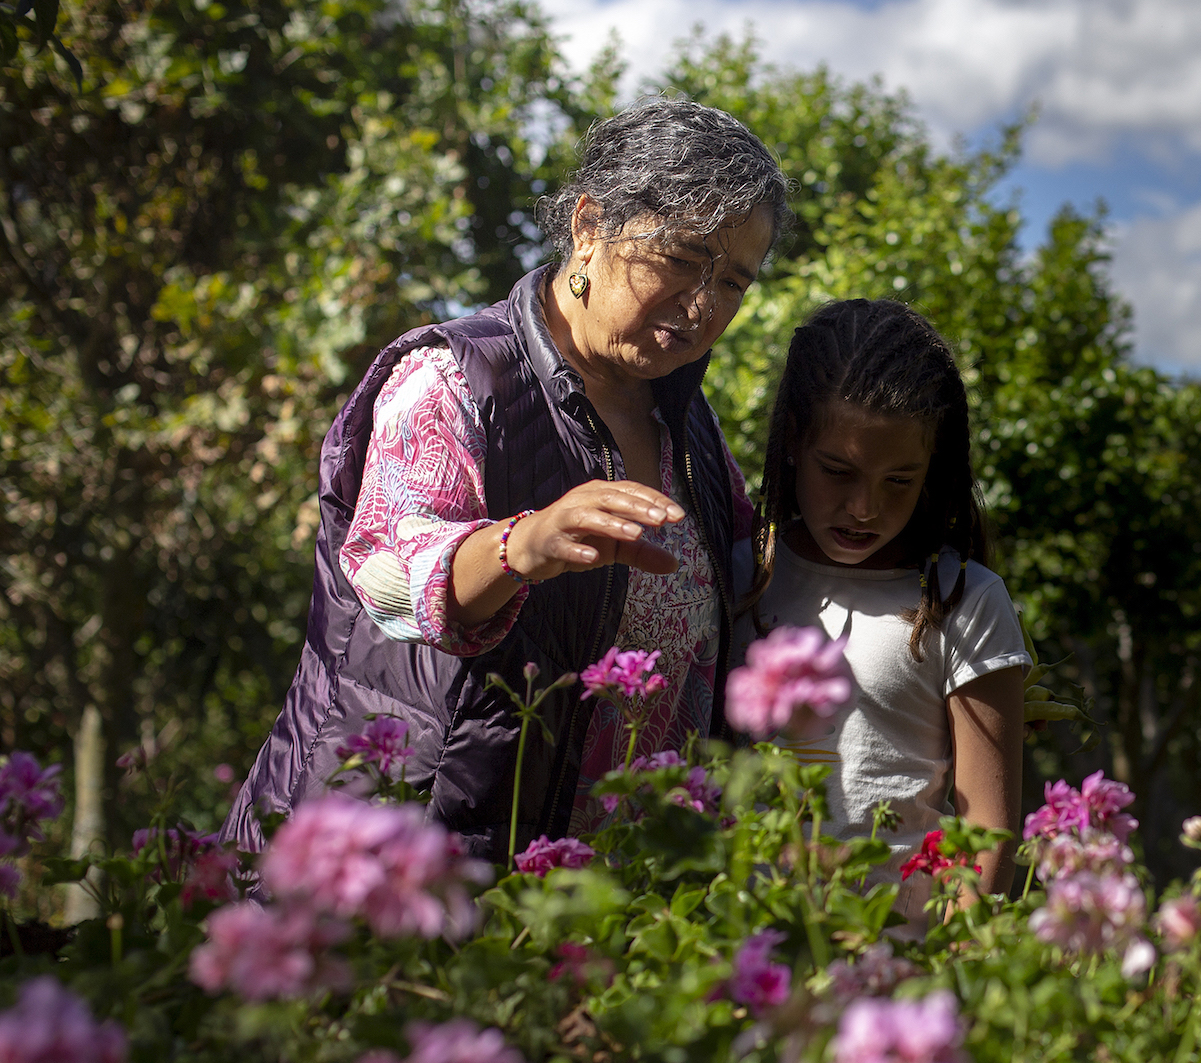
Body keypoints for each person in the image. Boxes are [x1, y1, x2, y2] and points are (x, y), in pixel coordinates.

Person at [224, 98, 789, 857]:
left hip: (604, 900)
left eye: (733, 284)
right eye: (683, 260)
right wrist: (522, 546)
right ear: (590, 226)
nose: (701, 306)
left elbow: (746, 587)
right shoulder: (454, 378)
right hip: (405, 865)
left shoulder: (689, 424)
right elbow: (386, 579)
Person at [736, 299, 1027, 923]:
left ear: (933, 470)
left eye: (900, 480)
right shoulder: (739, 579)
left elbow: (988, 831)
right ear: (792, 441)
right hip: (744, 956)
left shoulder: (964, 600)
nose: (864, 507)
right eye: (838, 471)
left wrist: (953, 959)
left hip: (899, 973)